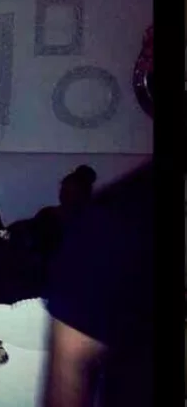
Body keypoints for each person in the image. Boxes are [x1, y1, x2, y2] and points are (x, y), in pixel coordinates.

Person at [43, 162, 153, 407]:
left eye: (70, 189)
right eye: (63, 188)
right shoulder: (106, 219)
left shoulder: (104, 223)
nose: (64, 193)